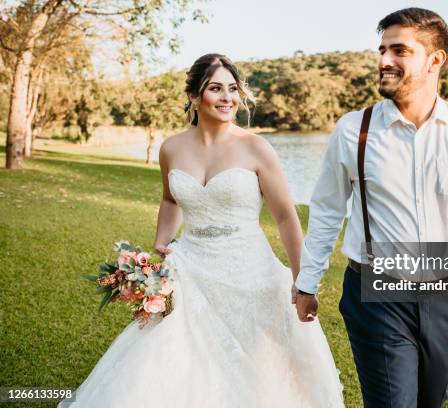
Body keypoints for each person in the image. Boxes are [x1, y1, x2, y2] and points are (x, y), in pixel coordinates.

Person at [60, 53, 344, 407]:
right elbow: (170, 200)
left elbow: (286, 215)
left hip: (250, 272)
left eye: (232, 89)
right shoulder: (172, 148)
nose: (227, 98)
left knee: (259, 366)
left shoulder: (256, 147)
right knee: (177, 358)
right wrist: (160, 248)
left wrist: (302, 283)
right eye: (215, 89)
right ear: (194, 96)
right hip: (190, 268)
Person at [294, 8, 448, 408]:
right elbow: (327, 211)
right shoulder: (354, 130)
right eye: (382, 49)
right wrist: (307, 283)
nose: (384, 60)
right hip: (376, 295)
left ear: (435, 60)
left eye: (399, 50)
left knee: (429, 402)